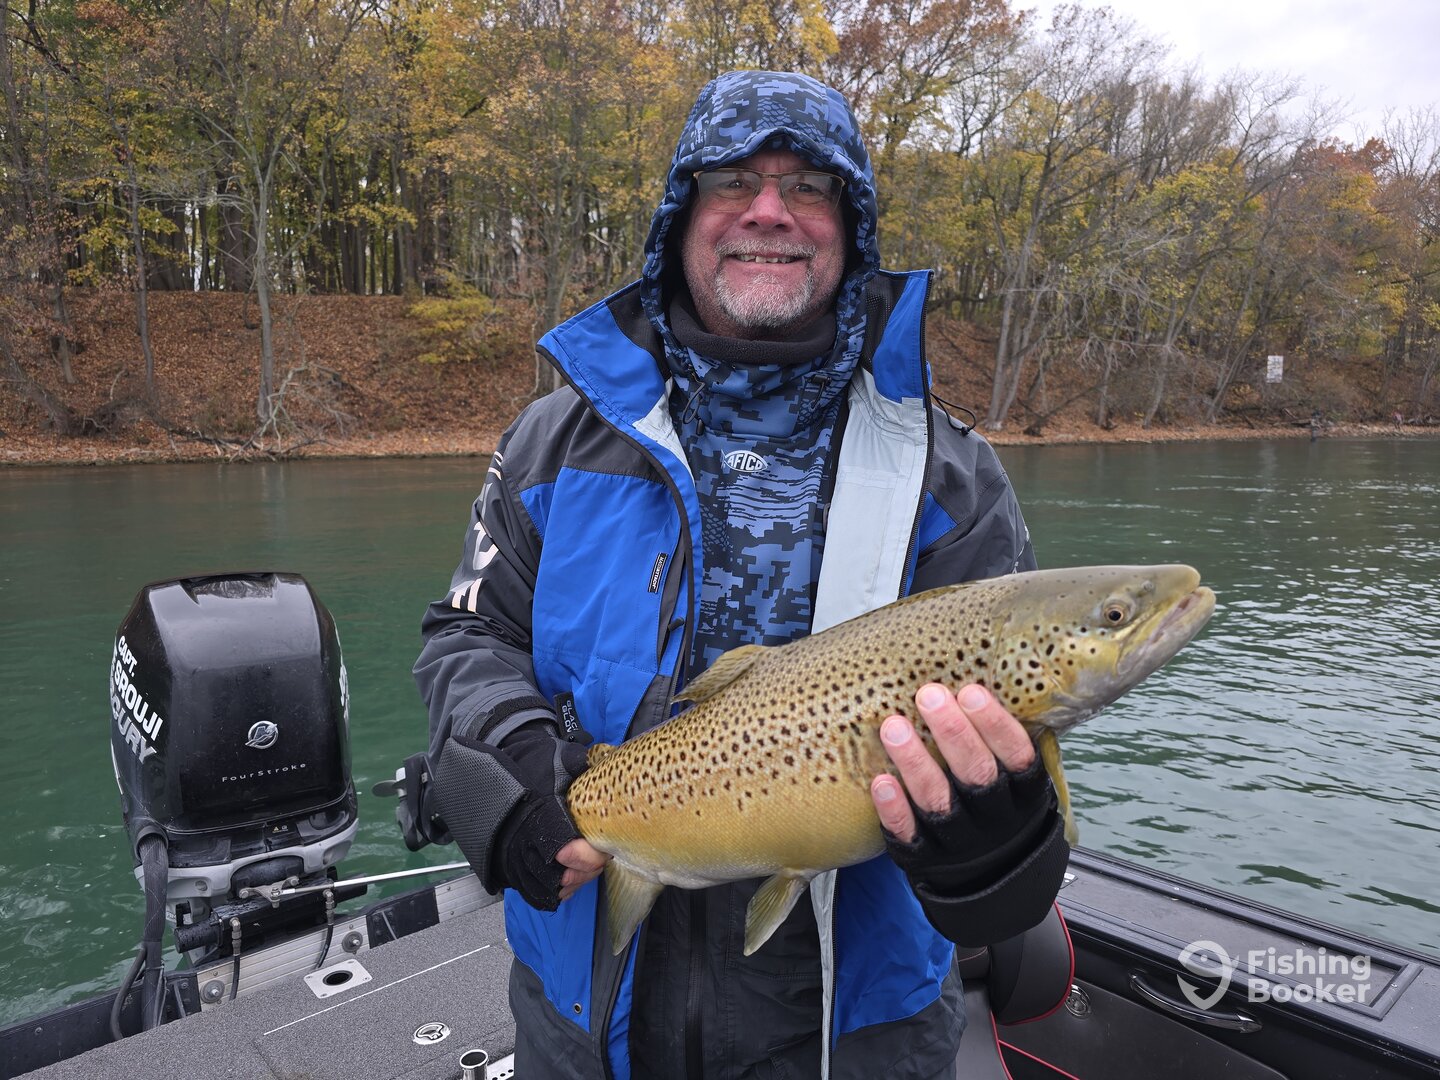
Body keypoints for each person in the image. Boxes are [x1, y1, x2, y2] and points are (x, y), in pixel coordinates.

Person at [414, 70, 1069, 1080]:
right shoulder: (550, 444)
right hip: (577, 1027)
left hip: (858, 1043)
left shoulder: (952, 479)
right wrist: (509, 763)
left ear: (852, 228)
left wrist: (997, 854)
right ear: (680, 218)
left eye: (809, 185)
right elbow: (469, 634)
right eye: (732, 182)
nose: (769, 210)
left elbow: (1005, 873)